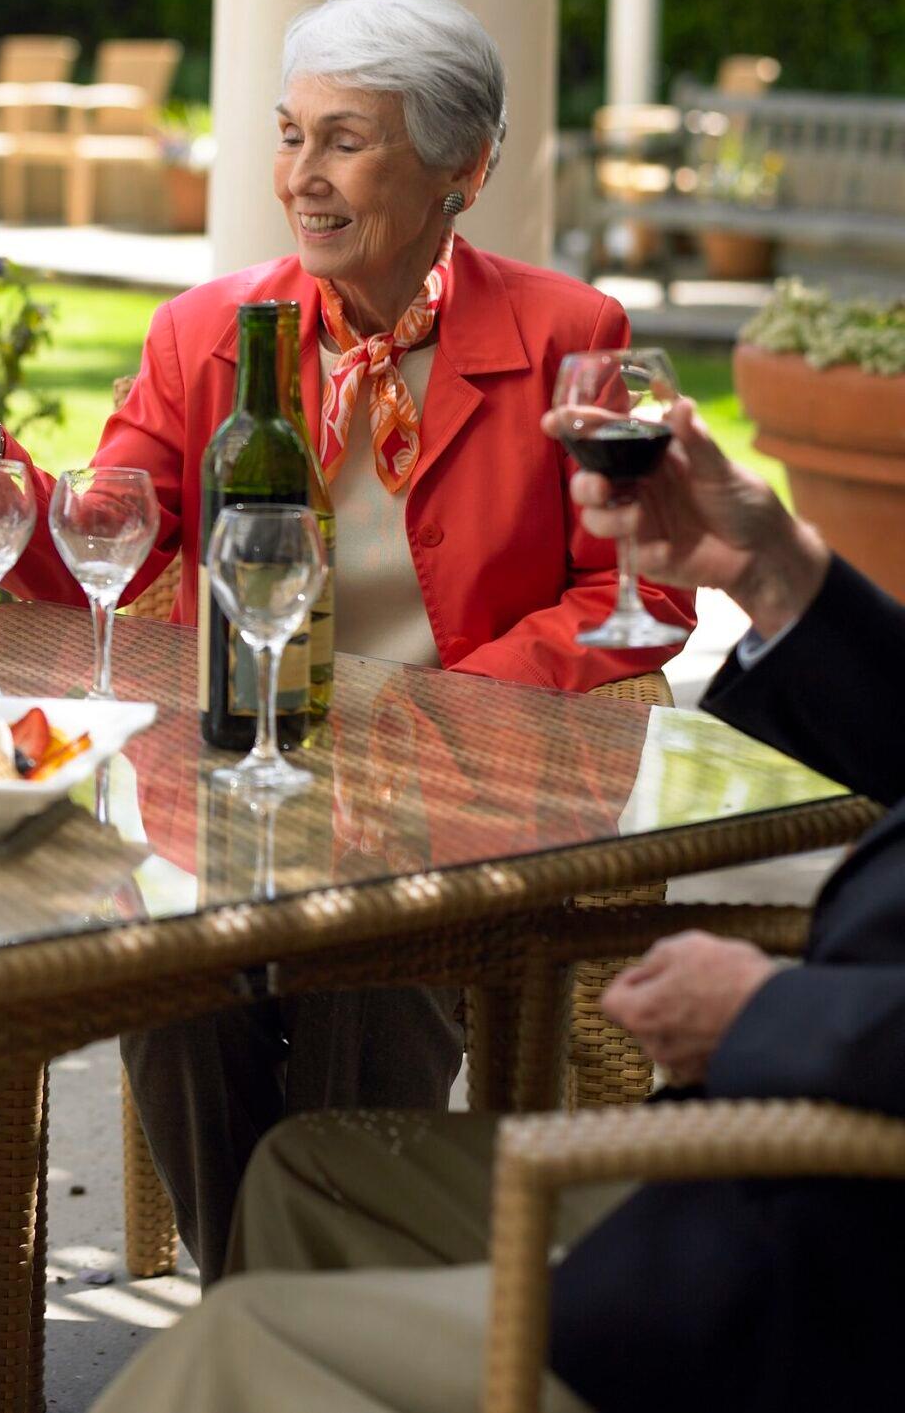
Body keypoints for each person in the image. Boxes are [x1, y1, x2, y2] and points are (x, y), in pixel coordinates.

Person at [0, 0, 696, 1281]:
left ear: (462, 169)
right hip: (236, 778)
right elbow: (93, 547)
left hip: (462, 792)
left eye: (345, 140)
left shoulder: (565, 337)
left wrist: (444, 705)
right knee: (164, 980)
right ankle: (285, 1307)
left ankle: (266, 1316)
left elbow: (638, 595)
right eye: (290, 134)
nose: (302, 175)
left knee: (370, 973)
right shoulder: (210, 331)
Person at [95, 396, 896, 1413]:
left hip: (820, 1256)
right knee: (306, 1167)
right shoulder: (205, 334)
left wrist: (763, 1016)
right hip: (771, 1165)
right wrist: (774, 565)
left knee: (234, 1341)